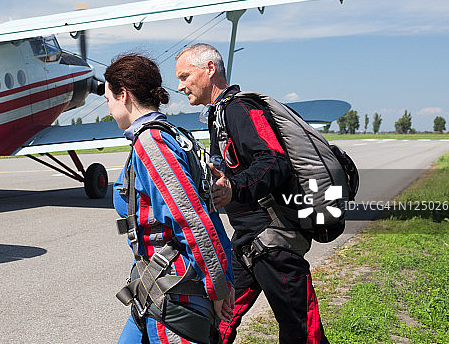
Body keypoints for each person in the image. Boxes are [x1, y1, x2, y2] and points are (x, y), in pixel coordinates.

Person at [175, 43, 329, 344]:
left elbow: (273, 161)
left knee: (302, 332)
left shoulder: (239, 108)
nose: (181, 85)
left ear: (209, 69)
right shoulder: (219, 114)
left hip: (274, 242)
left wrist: (235, 187)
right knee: (217, 319)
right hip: (247, 242)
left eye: (185, 76)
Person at [105, 53, 235, 344]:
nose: (108, 107)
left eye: (108, 99)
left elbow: (193, 219)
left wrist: (218, 285)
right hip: (153, 287)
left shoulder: (152, 143)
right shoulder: (175, 135)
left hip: (175, 293)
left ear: (123, 95)